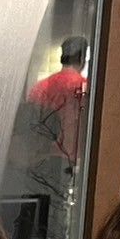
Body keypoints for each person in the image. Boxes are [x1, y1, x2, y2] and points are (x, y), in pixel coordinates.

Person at [29, 35, 89, 165]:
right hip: (74, 159)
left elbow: (32, 124)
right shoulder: (85, 88)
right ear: (82, 58)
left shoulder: (41, 87)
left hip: (42, 159)